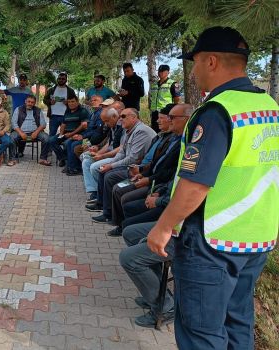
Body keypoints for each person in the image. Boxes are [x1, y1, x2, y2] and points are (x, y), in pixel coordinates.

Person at [147, 27, 279, 350]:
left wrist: (164, 227)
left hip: (211, 243)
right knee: (237, 325)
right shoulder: (269, 108)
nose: (193, 70)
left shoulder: (218, 112)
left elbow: (195, 182)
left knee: (201, 334)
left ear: (212, 62)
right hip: (255, 239)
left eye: (195, 62)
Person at [107, 104, 191, 236]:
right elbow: (155, 163)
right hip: (151, 179)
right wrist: (142, 173)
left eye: (171, 117)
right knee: (115, 182)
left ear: (186, 119)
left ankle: (125, 227)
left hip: (159, 187)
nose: (158, 121)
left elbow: (171, 173)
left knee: (122, 193)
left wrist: (151, 183)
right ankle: (115, 220)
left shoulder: (185, 143)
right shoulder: (164, 137)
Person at [88, 108, 156, 222]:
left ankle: (109, 214)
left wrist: (111, 166)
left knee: (110, 176)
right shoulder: (128, 130)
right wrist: (110, 164)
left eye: (123, 116)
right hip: (130, 165)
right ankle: (103, 206)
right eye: (120, 116)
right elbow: (121, 153)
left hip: (138, 169)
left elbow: (132, 158)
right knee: (103, 170)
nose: (120, 119)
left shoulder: (141, 131)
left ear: (134, 117)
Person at [119, 221, 175, 328]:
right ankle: (156, 293)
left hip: (190, 237)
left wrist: (159, 203)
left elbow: (184, 206)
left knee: (128, 259)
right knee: (130, 233)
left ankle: (166, 308)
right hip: (176, 226)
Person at [81, 107, 123, 203]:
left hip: (118, 157)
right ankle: (95, 191)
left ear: (114, 116)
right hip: (111, 154)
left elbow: (121, 148)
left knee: (95, 167)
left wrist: (102, 156)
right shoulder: (113, 126)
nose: (105, 124)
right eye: (104, 121)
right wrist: (98, 154)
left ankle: (102, 195)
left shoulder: (122, 127)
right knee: (86, 160)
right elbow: (109, 144)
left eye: (107, 121)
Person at [46, 95, 89, 169]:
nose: (70, 103)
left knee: (66, 143)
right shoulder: (67, 111)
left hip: (77, 134)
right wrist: (61, 134)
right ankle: (63, 158)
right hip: (66, 133)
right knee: (51, 140)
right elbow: (63, 124)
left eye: (73, 101)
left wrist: (71, 134)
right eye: (69, 102)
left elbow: (83, 125)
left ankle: (69, 163)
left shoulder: (82, 111)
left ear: (77, 102)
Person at [10, 95, 50, 163]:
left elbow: (43, 124)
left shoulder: (38, 110)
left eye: (32, 102)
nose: (30, 104)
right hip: (21, 131)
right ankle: (12, 159)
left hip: (35, 132)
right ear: (25, 101)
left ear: (34, 103)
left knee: (46, 138)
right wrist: (21, 133)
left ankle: (43, 159)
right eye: (29, 101)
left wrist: (36, 132)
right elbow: (14, 123)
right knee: (11, 138)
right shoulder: (18, 109)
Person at [148, 64, 181, 133]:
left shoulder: (173, 84)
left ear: (168, 72)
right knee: (154, 131)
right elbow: (151, 97)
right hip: (155, 112)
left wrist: (172, 111)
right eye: (159, 71)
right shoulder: (154, 85)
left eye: (163, 71)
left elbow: (177, 99)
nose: (160, 73)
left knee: (166, 131)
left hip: (166, 112)